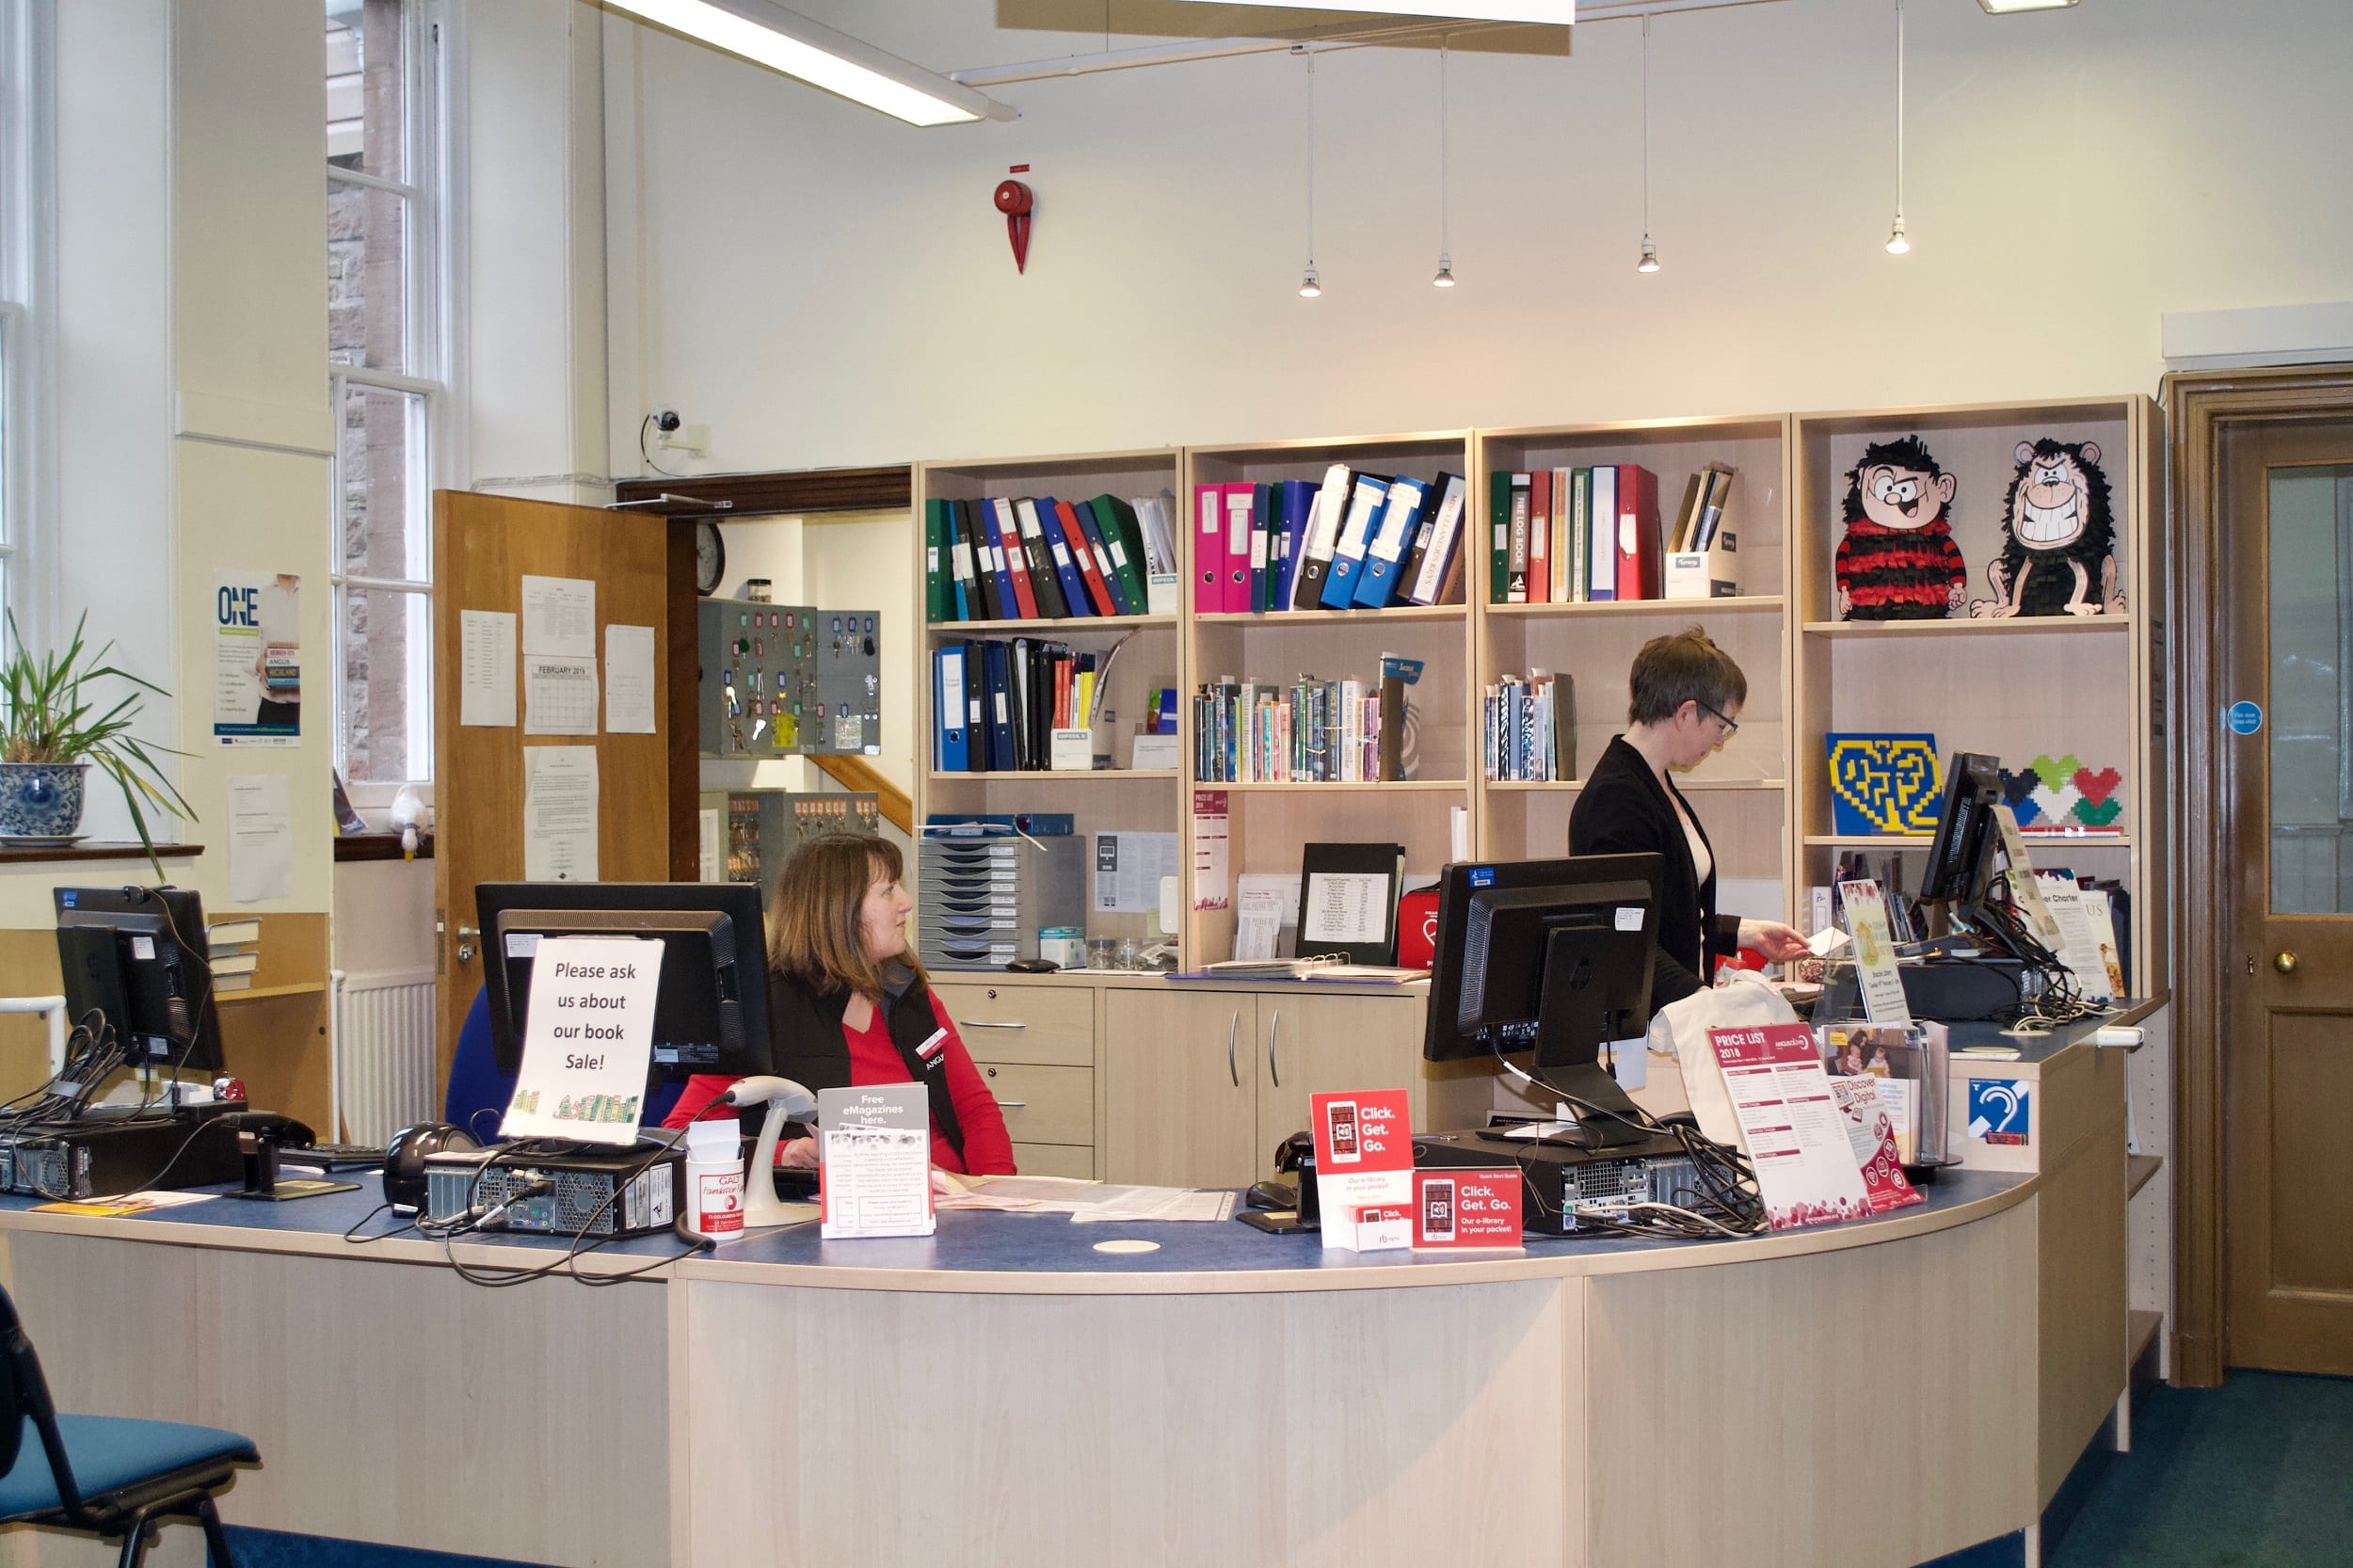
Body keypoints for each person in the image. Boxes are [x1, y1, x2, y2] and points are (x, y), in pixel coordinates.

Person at [664, 834, 1016, 1176]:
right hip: (825, 1216)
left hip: (951, 1199)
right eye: (889, 890)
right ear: (839, 910)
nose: (906, 902)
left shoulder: (906, 990)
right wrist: (784, 1152)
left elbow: (975, 1110)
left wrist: (993, 1196)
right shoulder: (764, 1011)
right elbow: (682, 1133)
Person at [1568, 627, 1809, 1010]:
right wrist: (1704, 1001)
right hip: (1640, 1031)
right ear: (1685, 712)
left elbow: (1673, 914)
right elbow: (1623, 933)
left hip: (1671, 1015)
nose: (1719, 742)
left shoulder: (1654, 779)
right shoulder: (1615, 801)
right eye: (1721, 726)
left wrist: (1747, 933)